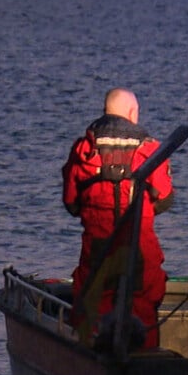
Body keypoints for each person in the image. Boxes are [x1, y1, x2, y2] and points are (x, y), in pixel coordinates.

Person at [62, 88, 174, 349]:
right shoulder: (150, 149)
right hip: (139, 245)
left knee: (93, 305)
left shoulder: (83, 149)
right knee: (143, 306)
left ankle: (92, 367)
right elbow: (165, 198)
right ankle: (144, 366)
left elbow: (71, 202)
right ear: (133, 113)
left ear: (105, 111)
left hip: (98, 245)